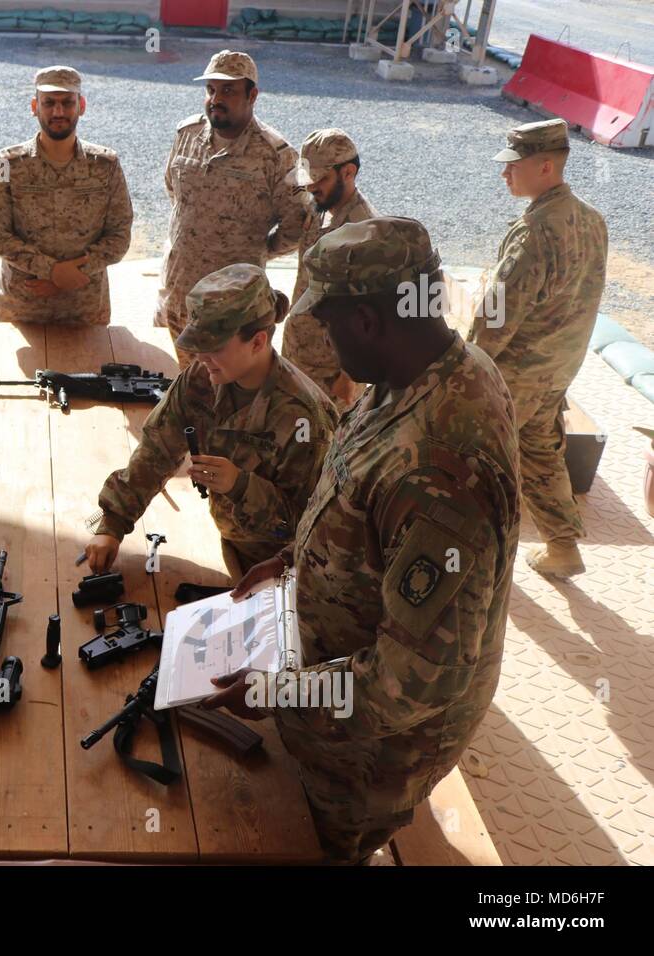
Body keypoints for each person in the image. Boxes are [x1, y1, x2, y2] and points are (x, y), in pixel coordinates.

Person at [207, 218, 520, 864]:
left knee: (316, 843)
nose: (321, 338)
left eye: (329, 324)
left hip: (379, 742)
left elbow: (411, 684)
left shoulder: (440, 465)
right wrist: (291, 561)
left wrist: (275, 693)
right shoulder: (421, 373)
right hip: (339, 675)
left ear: (371, 321)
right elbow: (358, 501)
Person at [87, 264, 336, 582]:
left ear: (257, 342)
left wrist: (241, 486)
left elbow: (315, 525)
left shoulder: (303, 417)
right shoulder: (203, 377)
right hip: (231, 546)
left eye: (214, 347)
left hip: (286, 572)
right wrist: (113, 524)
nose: (200, 356)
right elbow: (157, 450)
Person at [470, 118, 608, 579]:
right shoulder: (591, 221)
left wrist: (463, 366)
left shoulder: (534, 233)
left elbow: (496, 316)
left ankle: (473, 557)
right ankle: (563, 545)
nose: (504, 174)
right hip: (559, 365)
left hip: (515, 373)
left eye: (514, 166)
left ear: (545, 166)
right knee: (540, 451)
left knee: (474, 461)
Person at [156, 50, 307, 361]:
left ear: (252, 95)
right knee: (179, 390)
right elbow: (174, 190)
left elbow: (296, 223)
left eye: (228, 90)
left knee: (227, 393)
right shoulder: (187, 135)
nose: (216, 98)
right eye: (211, 90)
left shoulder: (275, 155)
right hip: (178, 293)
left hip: (232, 306)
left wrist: (259, 249)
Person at [0, 65, 132, 325]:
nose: (58, 112)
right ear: (34, 106)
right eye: (49, 102)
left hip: (84, 308)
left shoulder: (105, 165)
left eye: (67, 102)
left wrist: (69, 277)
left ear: (82, 105)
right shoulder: (7, 163)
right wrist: (53, 271)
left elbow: (119, 235)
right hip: (22, 307)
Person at [281, 128, 378, 408]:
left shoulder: (363, 231)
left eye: (320, 179)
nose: (311, 187)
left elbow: (370, 311)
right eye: (308, 179)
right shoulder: (320, 207)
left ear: (348, 172)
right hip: (299, 357)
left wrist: (351, 377)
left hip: (331, 376)